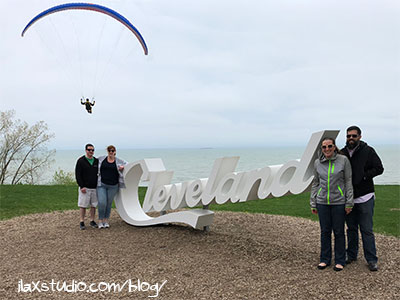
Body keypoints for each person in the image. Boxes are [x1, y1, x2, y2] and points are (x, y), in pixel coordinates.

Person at [341, 126, 384, 272]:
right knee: (351, 229)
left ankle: (372, 260)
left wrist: (364, 176)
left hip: (365, 197)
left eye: (353, 136)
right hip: (349, 198)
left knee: (366, 230)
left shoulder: (368, 151)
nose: (350, 138)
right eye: (348, 136)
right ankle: (351, 255)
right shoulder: (343, 152)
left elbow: (379, 168)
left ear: (360, 136)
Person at [310, 138, 353, 271]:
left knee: (339, 232)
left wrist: (349, 202)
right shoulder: (317, 163)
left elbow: (348, 181)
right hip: (322, 202)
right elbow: (315, 183)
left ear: (334, 147)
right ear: (321, 149)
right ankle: (325, 259)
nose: (327, 149)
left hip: (338, 202)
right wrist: (313, 202)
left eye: (329, 146)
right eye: (324, 147)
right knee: (325, 232)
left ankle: (340, 260)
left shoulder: (343, 160)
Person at [97, 145, 127, 229]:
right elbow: (92, 161)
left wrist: (123, 167)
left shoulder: (118, 161)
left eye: (112, 151)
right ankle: (100, 220)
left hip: (113, 186)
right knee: (102, 203)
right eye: (109, 150)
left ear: (115, 152)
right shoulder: (101, 159)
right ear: (107, 151)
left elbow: (127, 164)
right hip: (101, 185)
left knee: (109, 203)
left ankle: (106, 220)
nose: (111, 152)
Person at [75, 144, 99, 230]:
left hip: (94, 187)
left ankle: (92, 220)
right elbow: (78, 175)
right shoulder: (81, 161)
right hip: (85, 188)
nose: (91, 152)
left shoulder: (96, 161)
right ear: (86, 150)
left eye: (92, 150)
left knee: (93, 205)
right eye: (89, 150)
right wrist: (82, 186)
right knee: (83, 205)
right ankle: (82, 221)